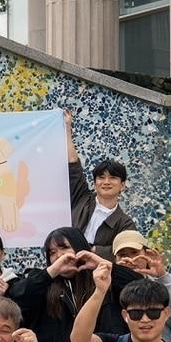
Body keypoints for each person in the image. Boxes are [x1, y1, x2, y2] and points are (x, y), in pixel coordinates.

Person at [6, 226, 140, 342]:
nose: (59, 256)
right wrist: (52, 271)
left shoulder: (103, 280)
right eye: (52, 252)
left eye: (64, 248)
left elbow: (140, 288)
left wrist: (102, 264)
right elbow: (16, 298)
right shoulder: (42, 283)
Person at [66, 111, 137, 260]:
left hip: (99, 270)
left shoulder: (125, 223)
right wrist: (67, 128)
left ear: (122, 185)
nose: (106, 182)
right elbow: (73, 166)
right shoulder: (81, 198)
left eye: (113, 178)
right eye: (101, 177)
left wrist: (93, 250)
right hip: (67, 265)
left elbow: (127, 251)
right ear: (95, 182)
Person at [111, 231, 171, 340]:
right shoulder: (106, 286)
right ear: (115, 259)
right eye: (123, 255)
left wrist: (163, 277)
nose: (130, 259)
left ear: (146, 254)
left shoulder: (159, 281)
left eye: (134, 253)